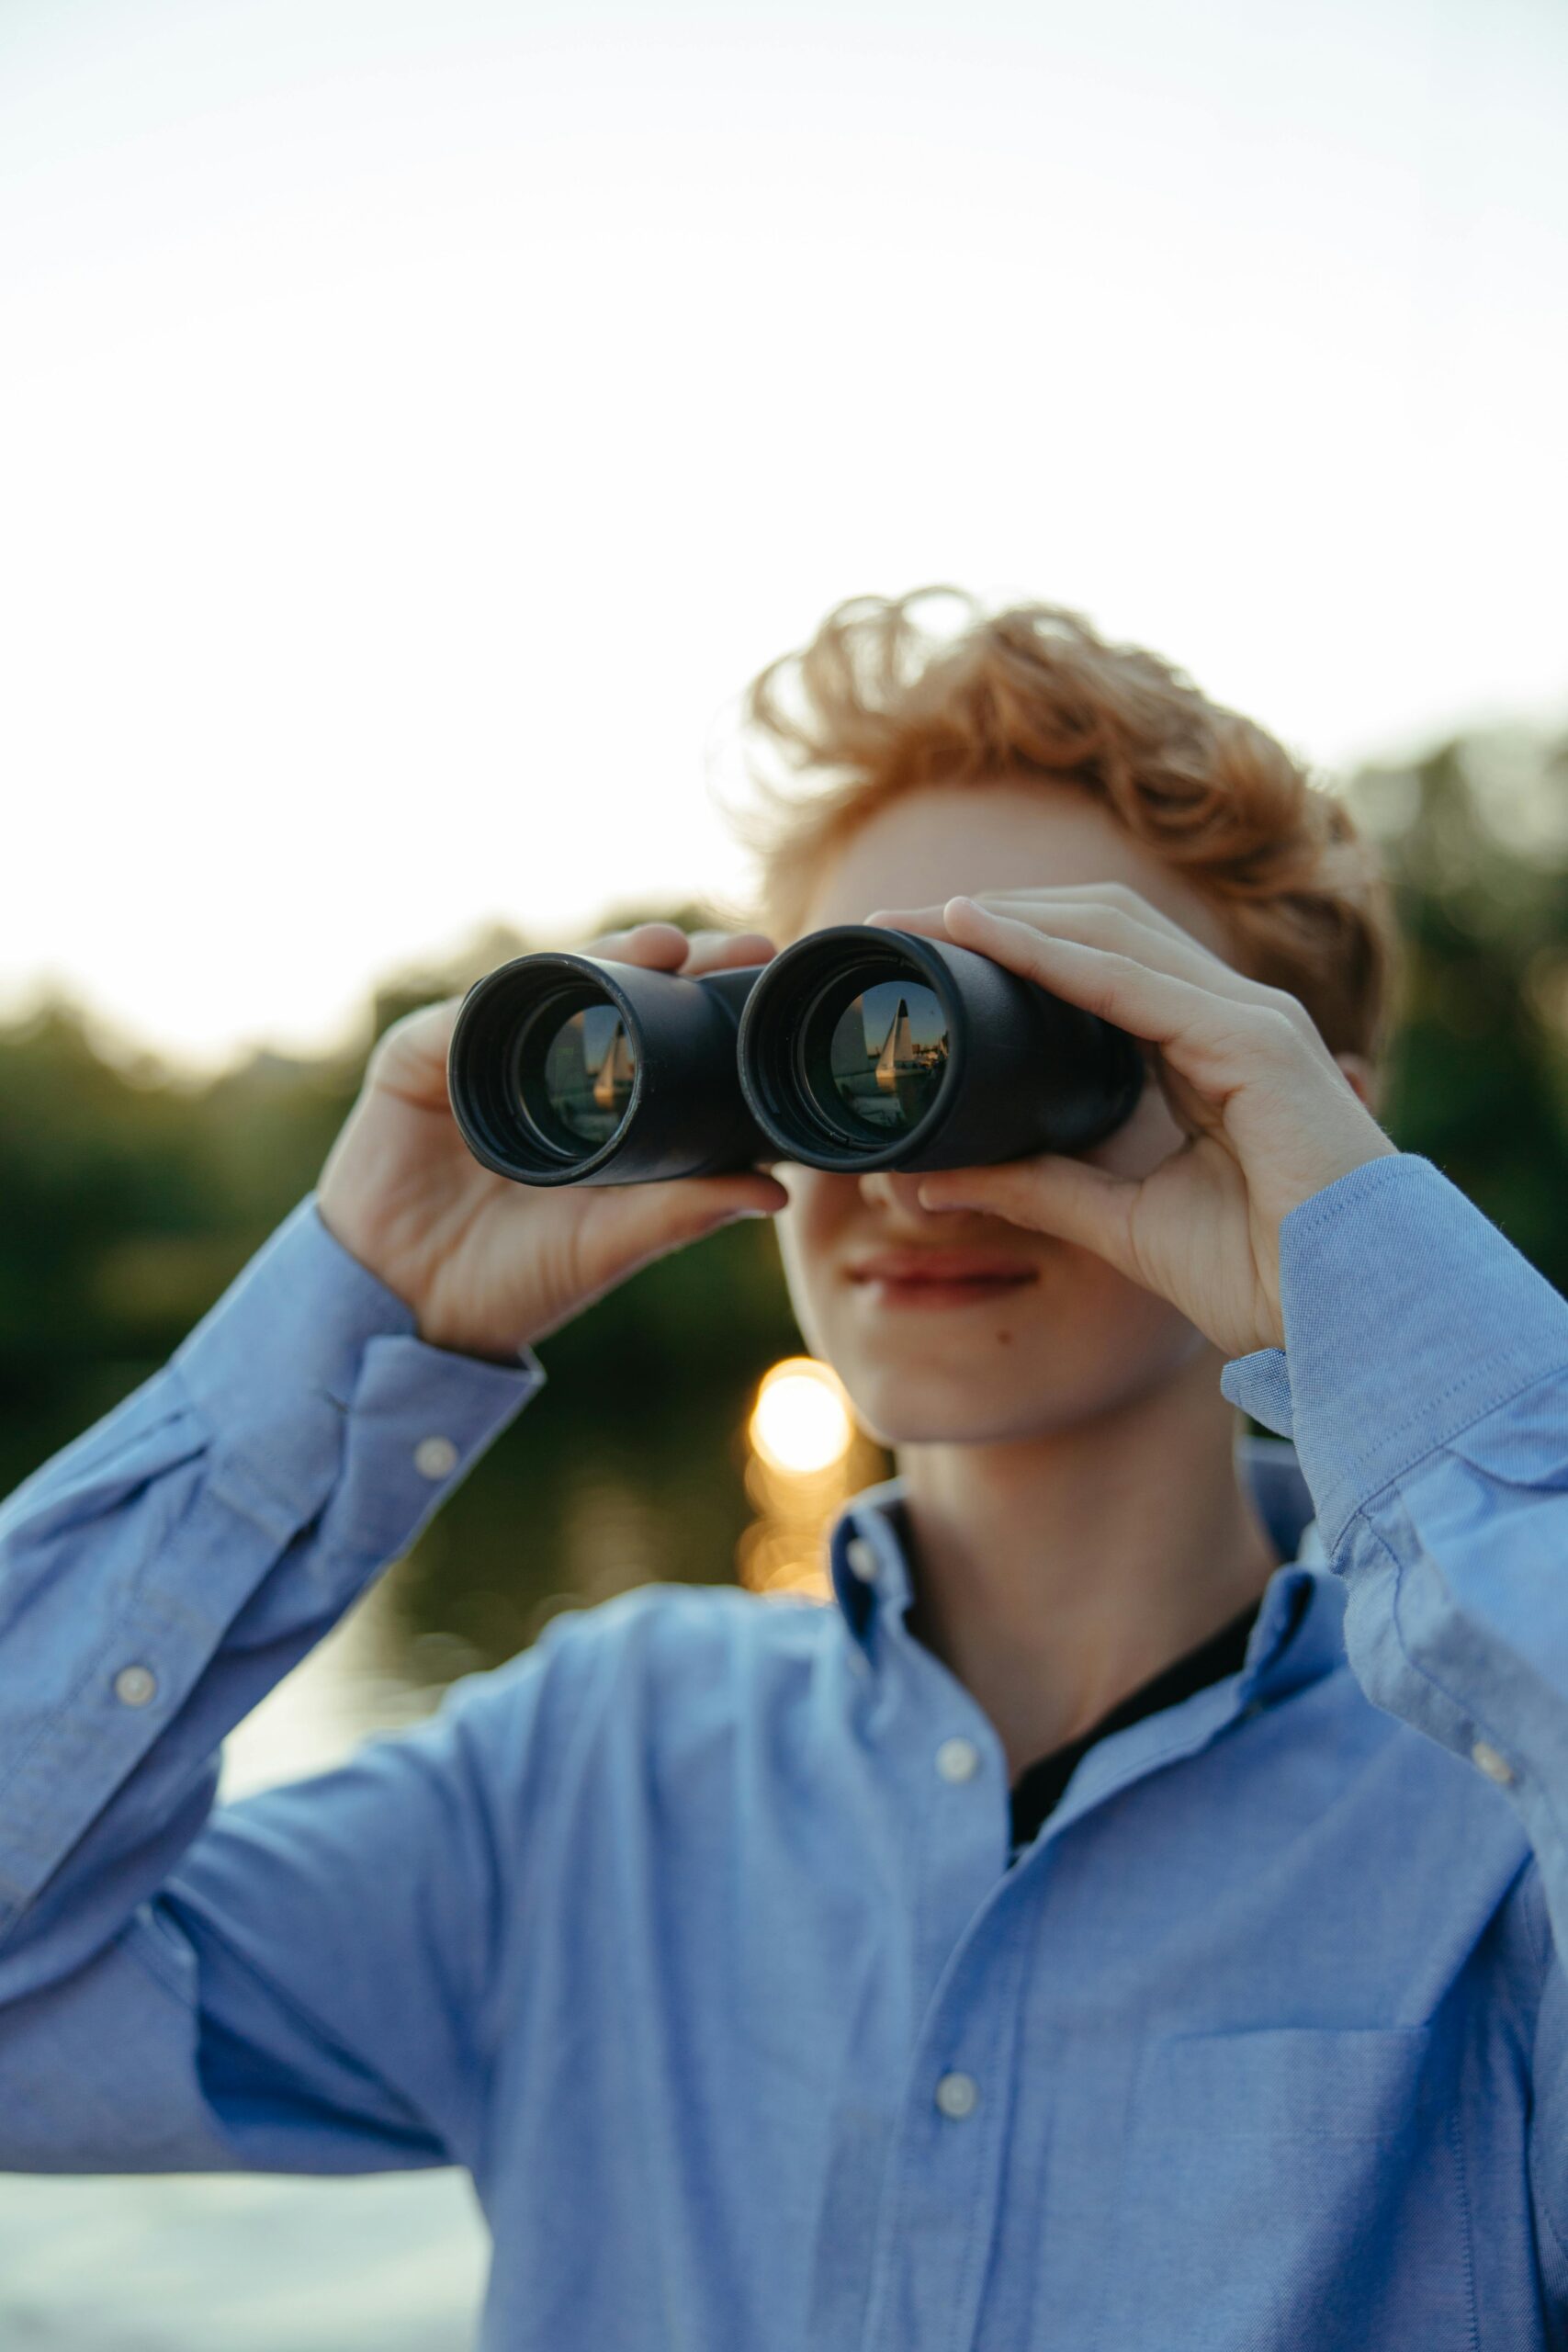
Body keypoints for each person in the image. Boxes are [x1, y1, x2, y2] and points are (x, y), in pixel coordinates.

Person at [1, 588, 1563, 2351]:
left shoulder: (1500, 1815)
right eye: (845, 1035)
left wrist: (1370, 1285)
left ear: (1305, 1111)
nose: (906, 1166)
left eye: (1021, 1035)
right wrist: (347, 1311)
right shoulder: (585, 1777)